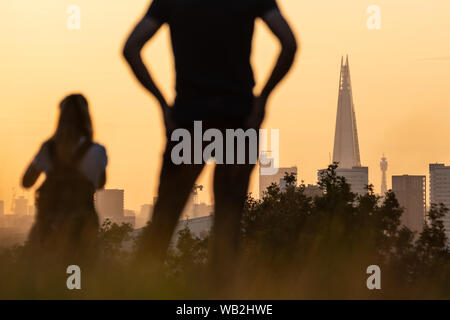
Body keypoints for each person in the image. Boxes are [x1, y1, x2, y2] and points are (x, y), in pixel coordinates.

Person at [123, 0, 298, 289]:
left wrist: (162, 105)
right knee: (228, 229)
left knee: (164, 223)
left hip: (189, 123)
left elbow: (131, 48)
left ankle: (139, 293)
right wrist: (262, 99)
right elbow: (289, 43)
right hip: (238, 121)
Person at [22, 94, 108, 269]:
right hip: (82, 230)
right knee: (81, 279)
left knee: (43, 276)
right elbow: (100, 183)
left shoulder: (48, 149)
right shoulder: (95, 151)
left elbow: (27, 181)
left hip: (49, 227)